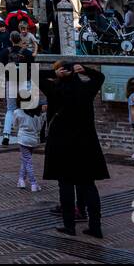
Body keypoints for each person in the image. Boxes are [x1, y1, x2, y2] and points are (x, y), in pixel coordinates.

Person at [40, 59, 108, 238]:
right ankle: (95, 226)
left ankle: (69, 225)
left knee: (66, 185)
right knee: (88, 185)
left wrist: (55, 74)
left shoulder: (55, 89)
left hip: (62, 144)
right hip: (85, 143)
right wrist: (85, 69)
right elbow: (100, 77)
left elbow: (33, 75)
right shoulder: (86, 89)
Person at [12, 100, 43, 191]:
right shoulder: (37, 114)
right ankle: (21, 180)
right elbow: (39, 128)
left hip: (23, 139)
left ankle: (33, 183)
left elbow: (15, 126)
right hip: (33, 140)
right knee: (25, 160)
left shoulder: (17, 112)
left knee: (27, 161)